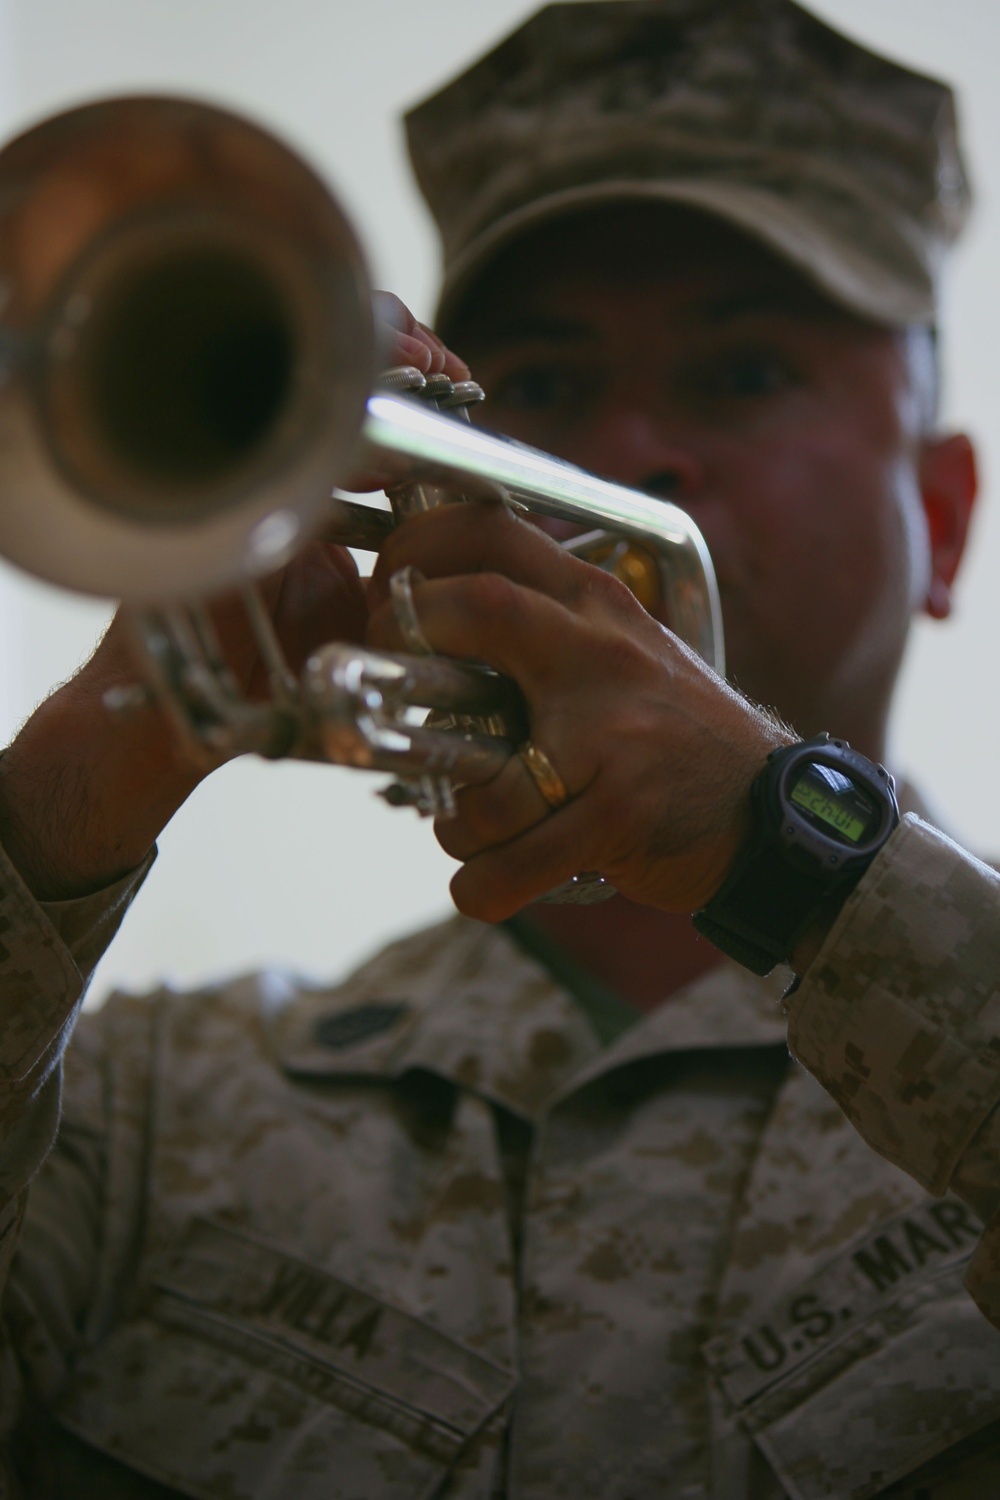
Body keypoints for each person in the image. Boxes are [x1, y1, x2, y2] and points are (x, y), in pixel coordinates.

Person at [2, 1, 1000, 1495]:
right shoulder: (147, 1109)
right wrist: (61, 806)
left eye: (741, 373)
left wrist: (787, 849)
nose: (631, 447)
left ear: (941, 516)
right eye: (539, 382)